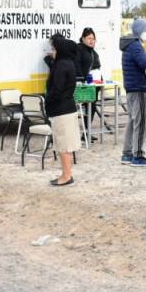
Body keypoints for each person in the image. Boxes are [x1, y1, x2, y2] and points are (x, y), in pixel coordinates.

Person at [45, 34, 81, 186]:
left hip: (61, 110)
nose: (52, 51)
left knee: (63, 145)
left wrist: (48, 100)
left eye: (54, 49)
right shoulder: (69, 63)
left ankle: (66, 176)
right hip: (68, 107)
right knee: (66, 144)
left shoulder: (61, 66)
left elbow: (56, 89)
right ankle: (66, 173)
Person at [120, 18, 146, 167]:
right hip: (138, 88)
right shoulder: (136, 46)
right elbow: (145, 65)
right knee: (142, 123)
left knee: (133, 121)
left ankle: (127, 153)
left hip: (131, 87)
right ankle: (137, 155)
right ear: (140, 30)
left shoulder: (129, 45)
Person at [76, 27, 103, 141]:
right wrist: (82, 79)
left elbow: (97, 66)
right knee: (89, 107)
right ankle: (85, 133)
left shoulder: (93, 52)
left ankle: (87, 133)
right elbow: (77, 66)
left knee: (91, 107)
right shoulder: (79, 49)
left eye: (93, 38)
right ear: (83, 39)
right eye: (89, 38)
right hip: (83, 85)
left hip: (94, 85)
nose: (91, 41)